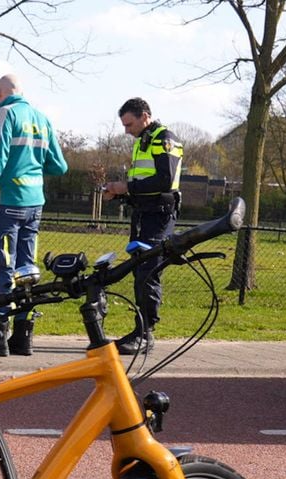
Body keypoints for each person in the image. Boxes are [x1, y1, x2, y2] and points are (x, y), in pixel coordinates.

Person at [0, 74, 68, 357]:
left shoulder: (4, 113)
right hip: (36, 204)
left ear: (0, 93)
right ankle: (23, 337)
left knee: (2, 271)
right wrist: (31, 165)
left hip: (9, 203)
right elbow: (59, 166)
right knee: (27, 272)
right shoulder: (42, 118)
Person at [102, 97, 183, 355]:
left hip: (158, 216)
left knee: (148, 271)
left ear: (144, 116)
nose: (127, 130)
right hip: (144, 215)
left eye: (129, 124)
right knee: (140, 271)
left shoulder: (163, 138)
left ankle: (145, 334)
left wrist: (126, 187)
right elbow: (144, 185)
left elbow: (165, 180)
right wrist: (121, 194)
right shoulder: (144, 142)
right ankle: (141, 330)